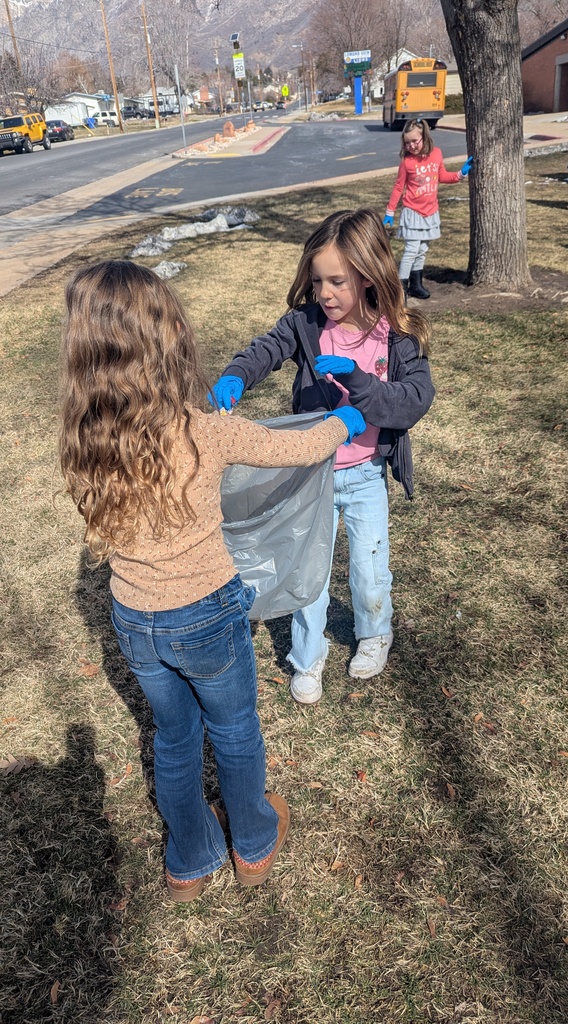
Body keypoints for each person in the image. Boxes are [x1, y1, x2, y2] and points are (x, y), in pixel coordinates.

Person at [58, 259, 366, 901]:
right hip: (206, 614)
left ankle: (189, 860)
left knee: (173, 738)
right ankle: (252, 841)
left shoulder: (84, 441)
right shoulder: (202, 431)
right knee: (233, 730)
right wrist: (346, 421)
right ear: (167, 342)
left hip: (135, 621)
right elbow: (296, 448)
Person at [209, 208, 435, 706]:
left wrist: (361, 385)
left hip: (366, 475)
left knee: (369, 567)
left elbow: (414, 401)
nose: (325, 293)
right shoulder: (305, 324)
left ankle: (375, 631)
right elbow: (265, 349)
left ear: (370, 275)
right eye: (317, 281)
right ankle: (307, 655)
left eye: (337, 281)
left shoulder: (395, 336)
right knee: (306, 567)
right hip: (313, 475)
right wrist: (237, 375)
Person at [383, 118, 473, 299]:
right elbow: (399, 187)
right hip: (413, 212)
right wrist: (389, 212)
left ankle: (416, 284)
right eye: (407, 143)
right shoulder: (407, 162)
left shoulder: (437, 154)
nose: (411, 146)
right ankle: (401, 289)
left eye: (414, 141)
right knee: (411, 250)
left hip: (430, 211)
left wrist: (461, 174)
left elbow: (443, 176)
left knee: (422, 249)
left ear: (424, 137)